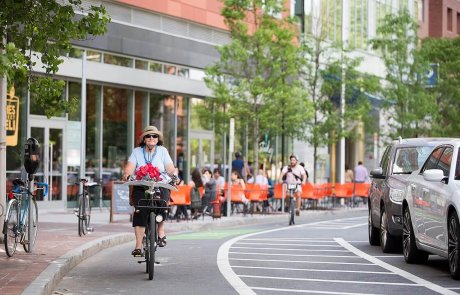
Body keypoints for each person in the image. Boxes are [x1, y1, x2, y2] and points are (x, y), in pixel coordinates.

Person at [122, 125, 177, 256]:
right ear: (144, 139)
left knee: (163, 202)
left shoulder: (163, 151)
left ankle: (161, 230)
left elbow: (170, 168)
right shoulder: (137, 151)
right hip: (141, 183)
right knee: (140, 210)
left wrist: (174, 175)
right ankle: (138, 246)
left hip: (159, 183)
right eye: (148, 136)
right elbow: (129, 168)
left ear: (158, 139)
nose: (151, 138)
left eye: (154, 136)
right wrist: (127, 174)